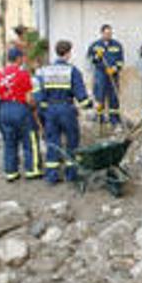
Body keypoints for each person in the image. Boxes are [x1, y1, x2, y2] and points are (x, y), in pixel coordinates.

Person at [35, 40, 92, 184]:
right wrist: (89, 104)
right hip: (66, 109)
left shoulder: (45, 70)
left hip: (50, 110)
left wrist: (44, 112)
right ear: (68, 53)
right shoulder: (72, 71)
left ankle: (52, 176)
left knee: (53, 142)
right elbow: (81, 96)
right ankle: (71, 174)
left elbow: (39, 95)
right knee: (72, 141)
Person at [0, 48, 42, 181]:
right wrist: (34, 108)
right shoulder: (23, 74)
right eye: (23, 57)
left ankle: (11, 172)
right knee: (29, 139)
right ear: (19, 58)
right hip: (20, 109)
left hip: (4, 108)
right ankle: (32, 170)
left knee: (9, 142)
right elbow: (28, 97)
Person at [88, 24, 124, 126]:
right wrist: (97, 56)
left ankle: (114, 119)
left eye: (110, 33)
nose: (109, 35)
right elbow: (91, 59)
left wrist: (115, 69)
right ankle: (100, 118)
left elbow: (121, 61)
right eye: (107, 33)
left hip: (113, 75)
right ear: (102, 33)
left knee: (114, 96)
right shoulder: (95, 45)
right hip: (101, 74)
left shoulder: (117, 45)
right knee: (100, 96)